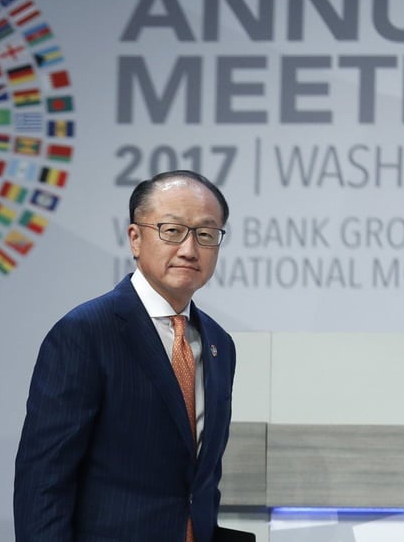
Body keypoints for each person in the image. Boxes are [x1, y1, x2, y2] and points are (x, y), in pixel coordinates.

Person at [14, 170, 242, 542]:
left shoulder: (219, 344)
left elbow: (201, 479)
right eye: (172, 231)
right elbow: (44, 480)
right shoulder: (86, 332)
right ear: (135, 238)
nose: (189, 249)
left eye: (206, 234)